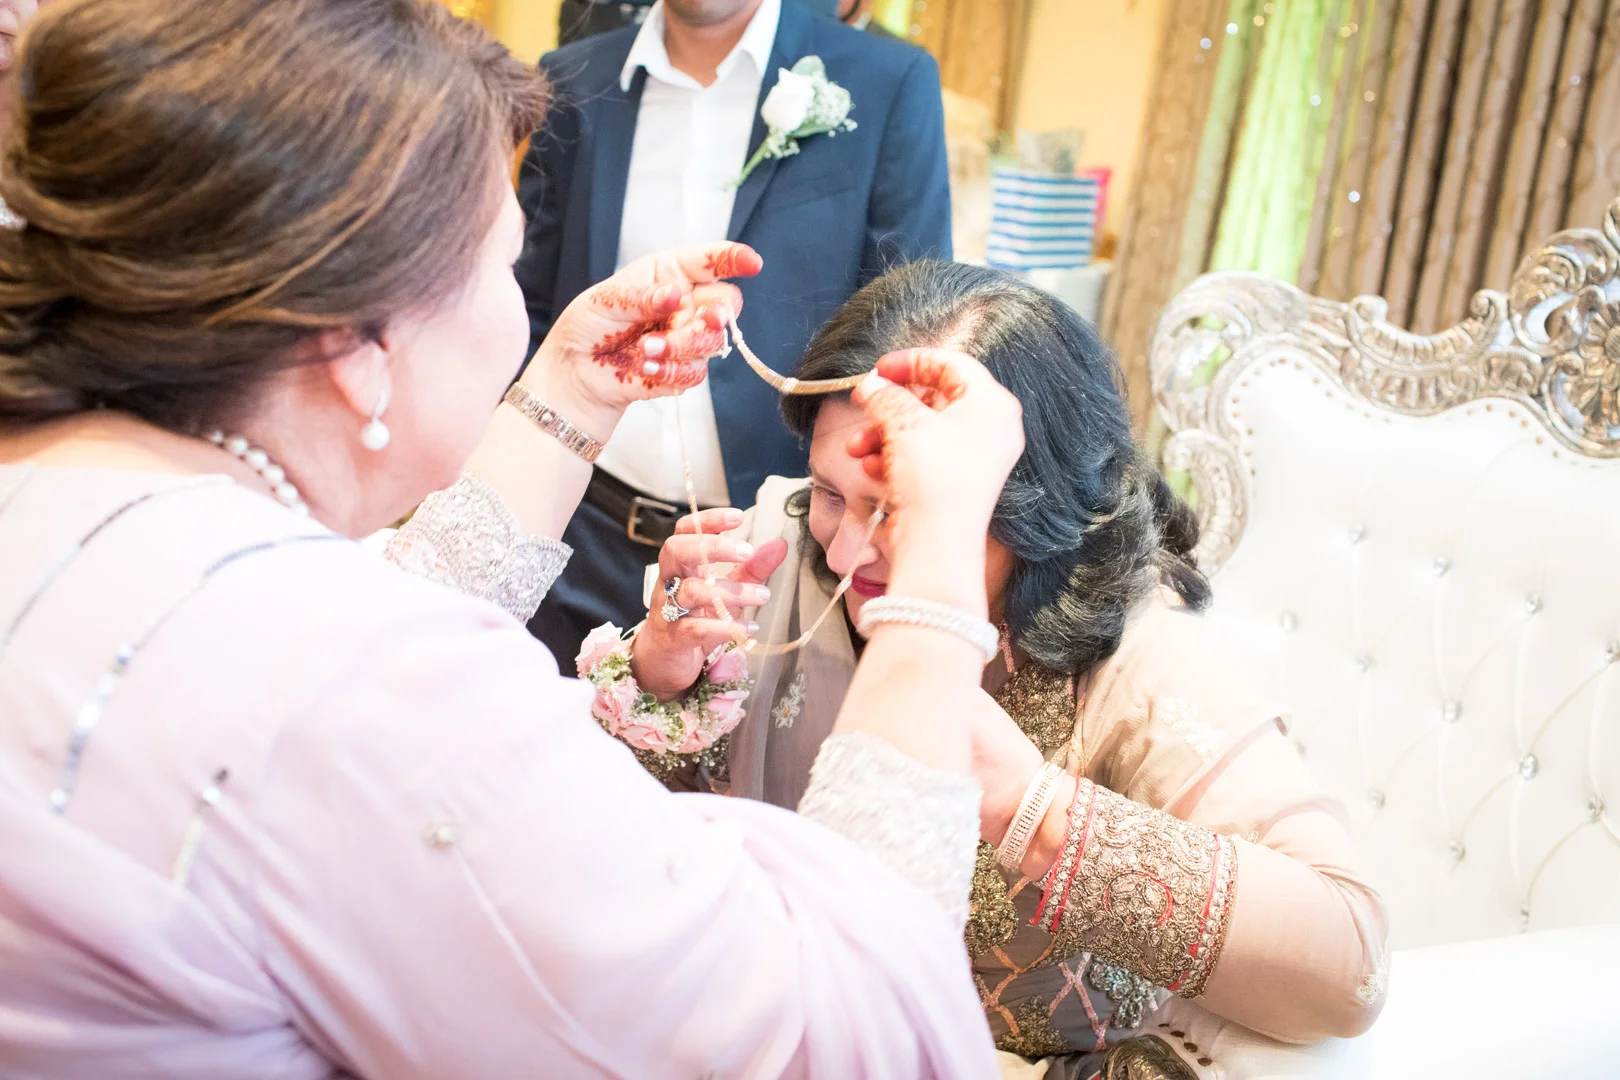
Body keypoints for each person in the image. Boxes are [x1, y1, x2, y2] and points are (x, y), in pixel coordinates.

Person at [0, 2, 1051, 1075]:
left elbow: (375, 613)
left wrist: (568, 398)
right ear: (356, 346)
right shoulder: (372, 692)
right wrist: (936, 558)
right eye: (504, 269)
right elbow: (848, 1028)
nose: (526, 310)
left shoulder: (74, 494)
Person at [617, 261, 1391, 1075]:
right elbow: (627, 861)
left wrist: (1033, 807)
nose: (841, 552)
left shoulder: (1135, 651)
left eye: (892, 510)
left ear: (1030, 503)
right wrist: (662, 678)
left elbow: (1352, 966)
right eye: (831, 493)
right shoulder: (775, 554)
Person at [515, 0, 953, 668]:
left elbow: (912, 324)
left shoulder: (886, 81)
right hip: (579, 531)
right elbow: (531, 304)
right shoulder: (574, 80)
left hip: (768, 553)